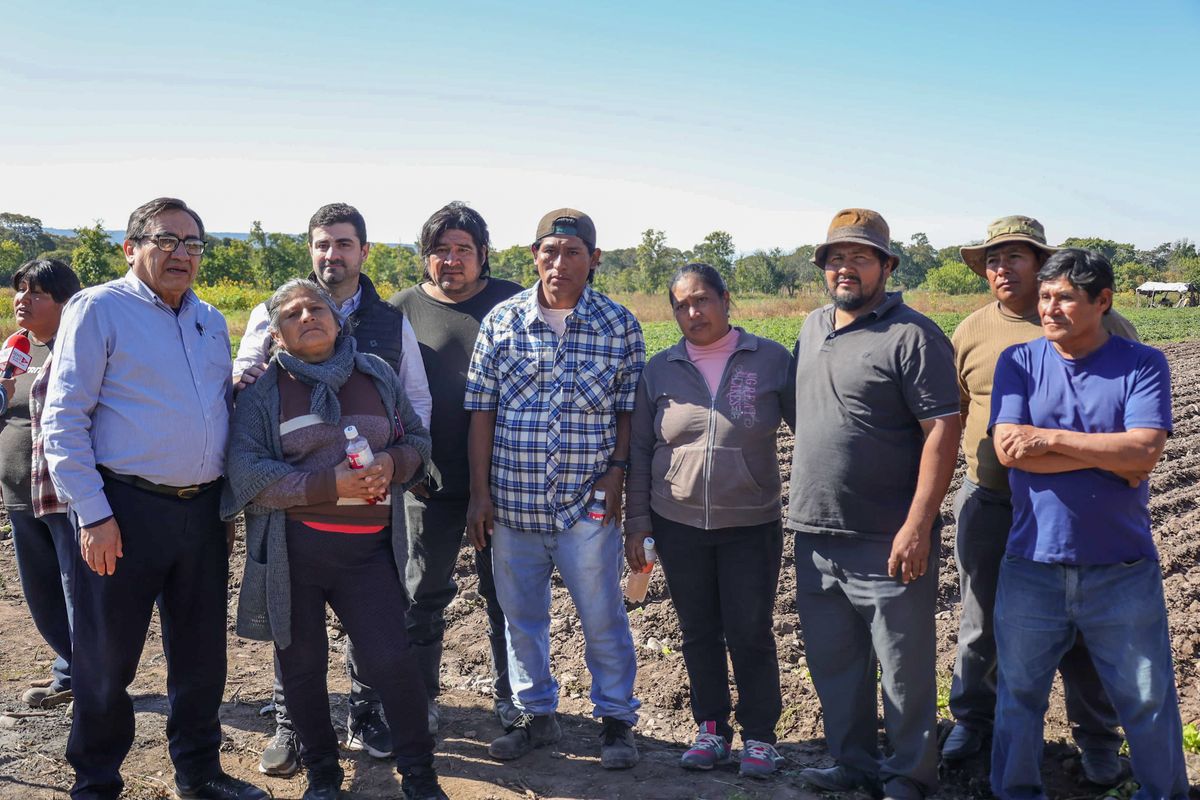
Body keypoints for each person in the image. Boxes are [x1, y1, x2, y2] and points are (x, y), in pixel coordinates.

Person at [41, 198, 267, 800]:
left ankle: (199, 773)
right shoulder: (98, 310)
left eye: (193, 243)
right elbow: (62, 420)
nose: (182, 254)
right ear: (130, 247)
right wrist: (93, 513)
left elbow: (217, 405)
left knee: (200, 656)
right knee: (106, 659)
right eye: (167, 240)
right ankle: (96, 781)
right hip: (123, 510)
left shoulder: (210, 319)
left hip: (201, 511)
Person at [223, 279, 446, 800]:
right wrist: (329, 484)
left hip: (367, 553)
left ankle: (420, 775)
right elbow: (247, 473)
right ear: (276, 336)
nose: (307, 317)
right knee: (301, 667)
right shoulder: (263, 394)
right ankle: (323, 774)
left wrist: (393, 462)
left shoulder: (377, 375)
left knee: (392, 659)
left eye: (316, 307)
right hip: (295, 552)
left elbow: (415, 439)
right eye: (292, 314)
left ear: (338, 318)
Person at [989, 248, 1186, 800]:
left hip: (1120, 566)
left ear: (1102, 302)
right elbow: (1008, 451)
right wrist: (1110, 455)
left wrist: (1049, 440)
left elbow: (1144, 449)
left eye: (1066, 298)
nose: (1050, 308)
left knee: (1146, 698)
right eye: (1046, 297)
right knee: (1020, 694)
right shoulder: (1020, 361)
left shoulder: (1142, 363)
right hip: (1032, 562)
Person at [944, 216, 1133, 778]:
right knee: (980, 622)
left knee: (1082, 626)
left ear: (1041, 264)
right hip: (993, 501)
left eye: (1015, 258)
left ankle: (1097, 738)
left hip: (1076, 505)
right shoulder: (972, 330)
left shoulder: (1107, 325)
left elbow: (1133, 413)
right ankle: (973, 721)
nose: (1002, 269)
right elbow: (957, 414)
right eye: (994, 260)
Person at [788, 209, 960, 800]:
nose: (846, 268)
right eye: (836, 258)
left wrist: (917, 524)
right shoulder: (811, 328)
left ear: (886, 265)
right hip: (815, 533)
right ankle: (852, 763)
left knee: (905, 670)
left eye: (860, 257)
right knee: (836, 666)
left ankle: (911, 772)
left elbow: (943, 429)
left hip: (888, 537)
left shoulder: (914, 335)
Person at [465, 208, 643, 768]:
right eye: (549, 251)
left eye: (572, 252)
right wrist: (479, 494)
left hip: (586, 503)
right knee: (522, 619)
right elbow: (481, 411)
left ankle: (615, 720)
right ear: (534, 256)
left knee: (603, 615)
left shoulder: (619, 325)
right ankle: (535, 714)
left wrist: (616, 472)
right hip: (512, 503)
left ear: (593, 259)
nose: (559, 262)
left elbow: (627, 412)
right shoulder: (503, 320)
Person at [625, 263, 794, 779]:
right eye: (681, 305)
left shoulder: (771, 359)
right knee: (697, 630)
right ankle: (712, 730)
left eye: (701, 300)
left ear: (725, 298)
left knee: (750, 630)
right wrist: (637, 521)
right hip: (676, 522)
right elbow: (638, 449)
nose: (692, 312)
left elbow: (808, 430)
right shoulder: (660, 369)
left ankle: (761, 737)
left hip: (750, 521)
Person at [389, 202, 523, 734]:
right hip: (429, 482)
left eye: (462, 249)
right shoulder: (401, 311)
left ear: (482, 254)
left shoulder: (513, 303)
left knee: (507, 596)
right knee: (421, 593)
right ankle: (422, 696)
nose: (451, 260)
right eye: (439, 250)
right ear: (425, 258)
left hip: (509, 482)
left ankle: (512, 695)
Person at [1, 259, 81, 710]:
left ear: (66, 303)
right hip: (18, 492)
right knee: (41, 590)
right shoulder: (16, 348)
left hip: (62, 492)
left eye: (35, 294)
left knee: (76, 590)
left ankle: (91, 678)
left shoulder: (78, 349)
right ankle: (69, 670)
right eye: (20, 291)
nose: (22, 301)